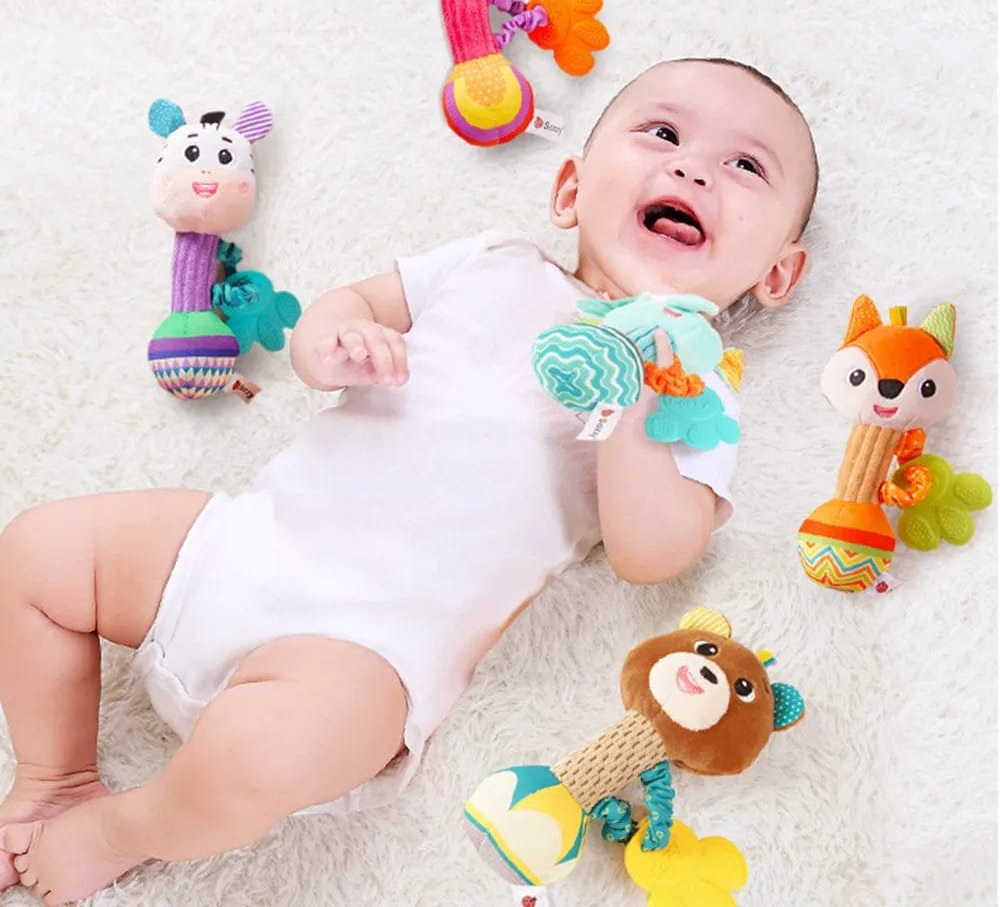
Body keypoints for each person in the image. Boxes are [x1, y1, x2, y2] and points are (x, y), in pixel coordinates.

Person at [0, 57, 818, 904]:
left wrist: (643, 398)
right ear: (570, 189)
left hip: (363, 652)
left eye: (746, 166)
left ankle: (121, 829)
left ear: (777, 275)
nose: (691, 168)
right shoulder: (495, 261)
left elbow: (656, 553)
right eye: (664, 134)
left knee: (260, 758)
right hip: (248, 538)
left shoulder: (699, 393)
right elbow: (347, 304)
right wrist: (337, 342)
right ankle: (54, 779)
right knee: (38, 552)